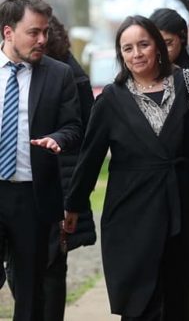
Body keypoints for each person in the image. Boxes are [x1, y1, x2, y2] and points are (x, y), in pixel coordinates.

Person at [64, 15, 189, 320]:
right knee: (139, 300)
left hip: (184, 203)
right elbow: (89, 158)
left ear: (157, 46)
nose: (137, 53)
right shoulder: (111, 99)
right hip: (131, 211)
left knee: (180, 296)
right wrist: (74, 205)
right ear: (121, 55)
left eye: (143, 44)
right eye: (127, 48)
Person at [0, 0, 82, 321]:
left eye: (45, 32)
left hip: (32, 196)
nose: (42, 40)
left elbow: (74, 126)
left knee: (32, 288)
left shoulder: (58, 74)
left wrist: (58, 139)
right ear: (8, 33)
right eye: (34, 32)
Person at [36, 16, 97, 320]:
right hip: (25, 185)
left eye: (41, 32)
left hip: (58, 184)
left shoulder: (69, 75)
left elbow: (84, 136)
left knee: (51, 266)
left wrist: (72, 198)